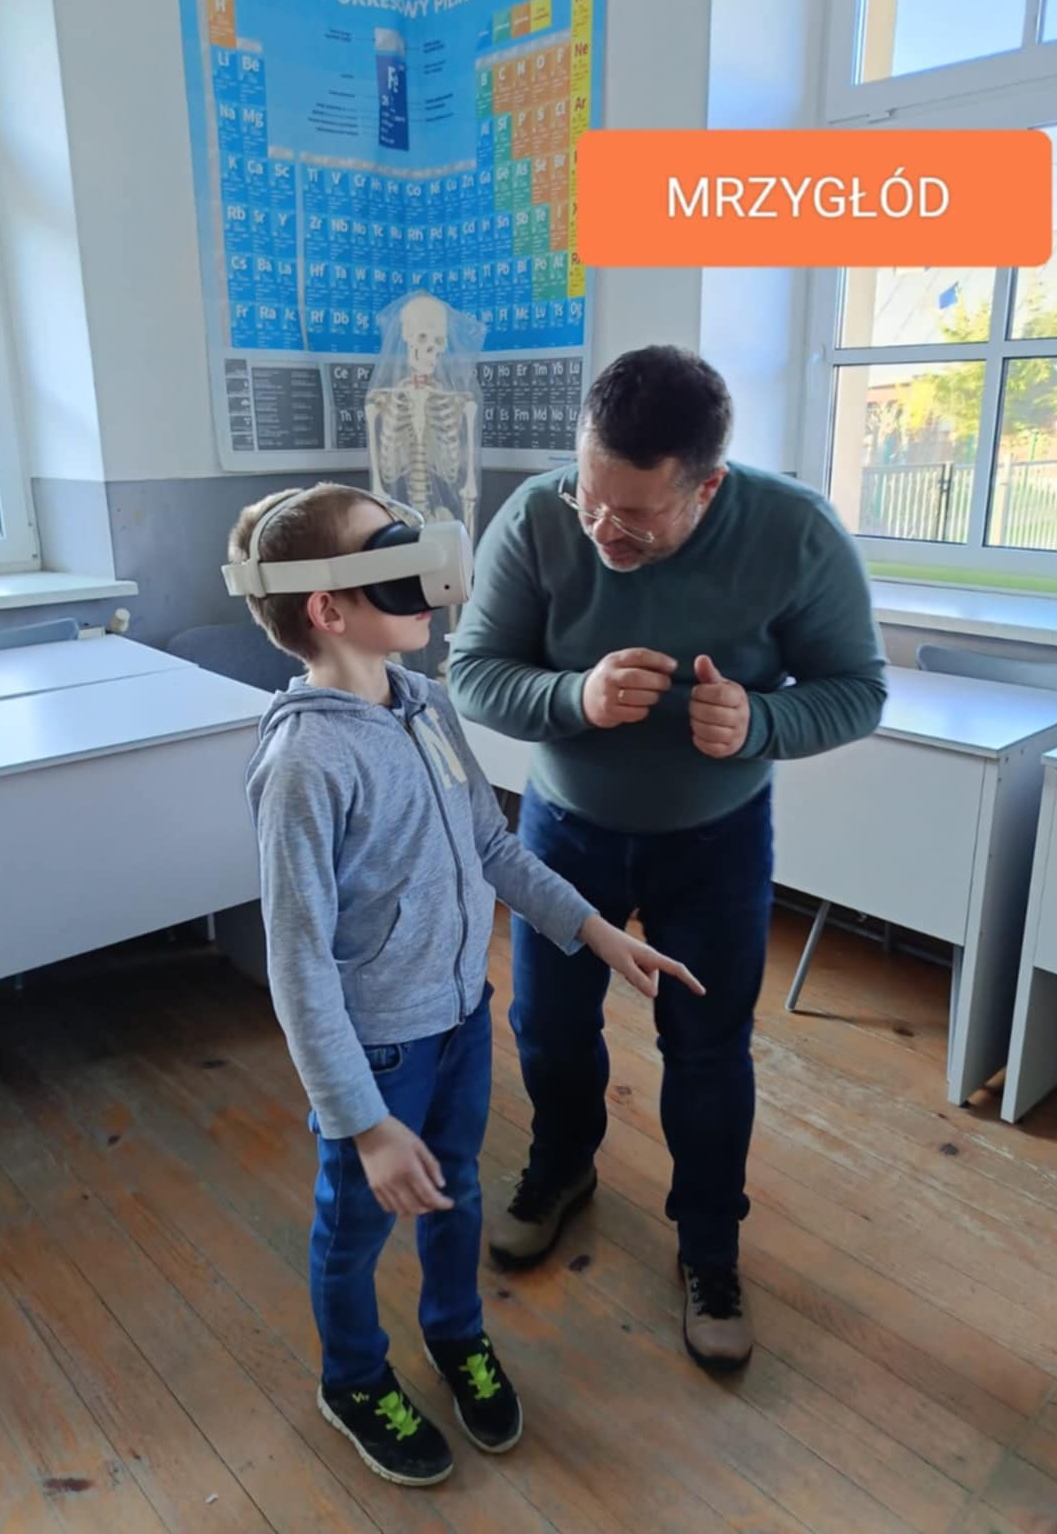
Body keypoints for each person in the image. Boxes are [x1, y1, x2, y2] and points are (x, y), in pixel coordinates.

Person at [227, 483, 702, 1489]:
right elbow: (297, 962)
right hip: (378, 1052)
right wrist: (363, 1123)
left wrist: (594, 931)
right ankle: (354, 1378)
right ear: (329, 606)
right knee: (356, 1222)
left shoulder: (427, 703)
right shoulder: (305, 763)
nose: (425, 570)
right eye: (390, 553)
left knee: (458, 1192)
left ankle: (454, 1331)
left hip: (459, 1022)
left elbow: (491, 844)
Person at [449, 346, 887, 1372]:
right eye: (591, 496)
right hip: (566, 830)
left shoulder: (795, 532)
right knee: (549, 1025)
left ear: (708, 487)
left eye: (637, 515)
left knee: (706, 1047)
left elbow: (858, 690)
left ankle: (709, 1244)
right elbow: (472, 672)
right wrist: (573, 696)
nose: (604, 529)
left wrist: (764, 721)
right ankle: (563, 1166)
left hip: (715, 841)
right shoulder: (541, 516)